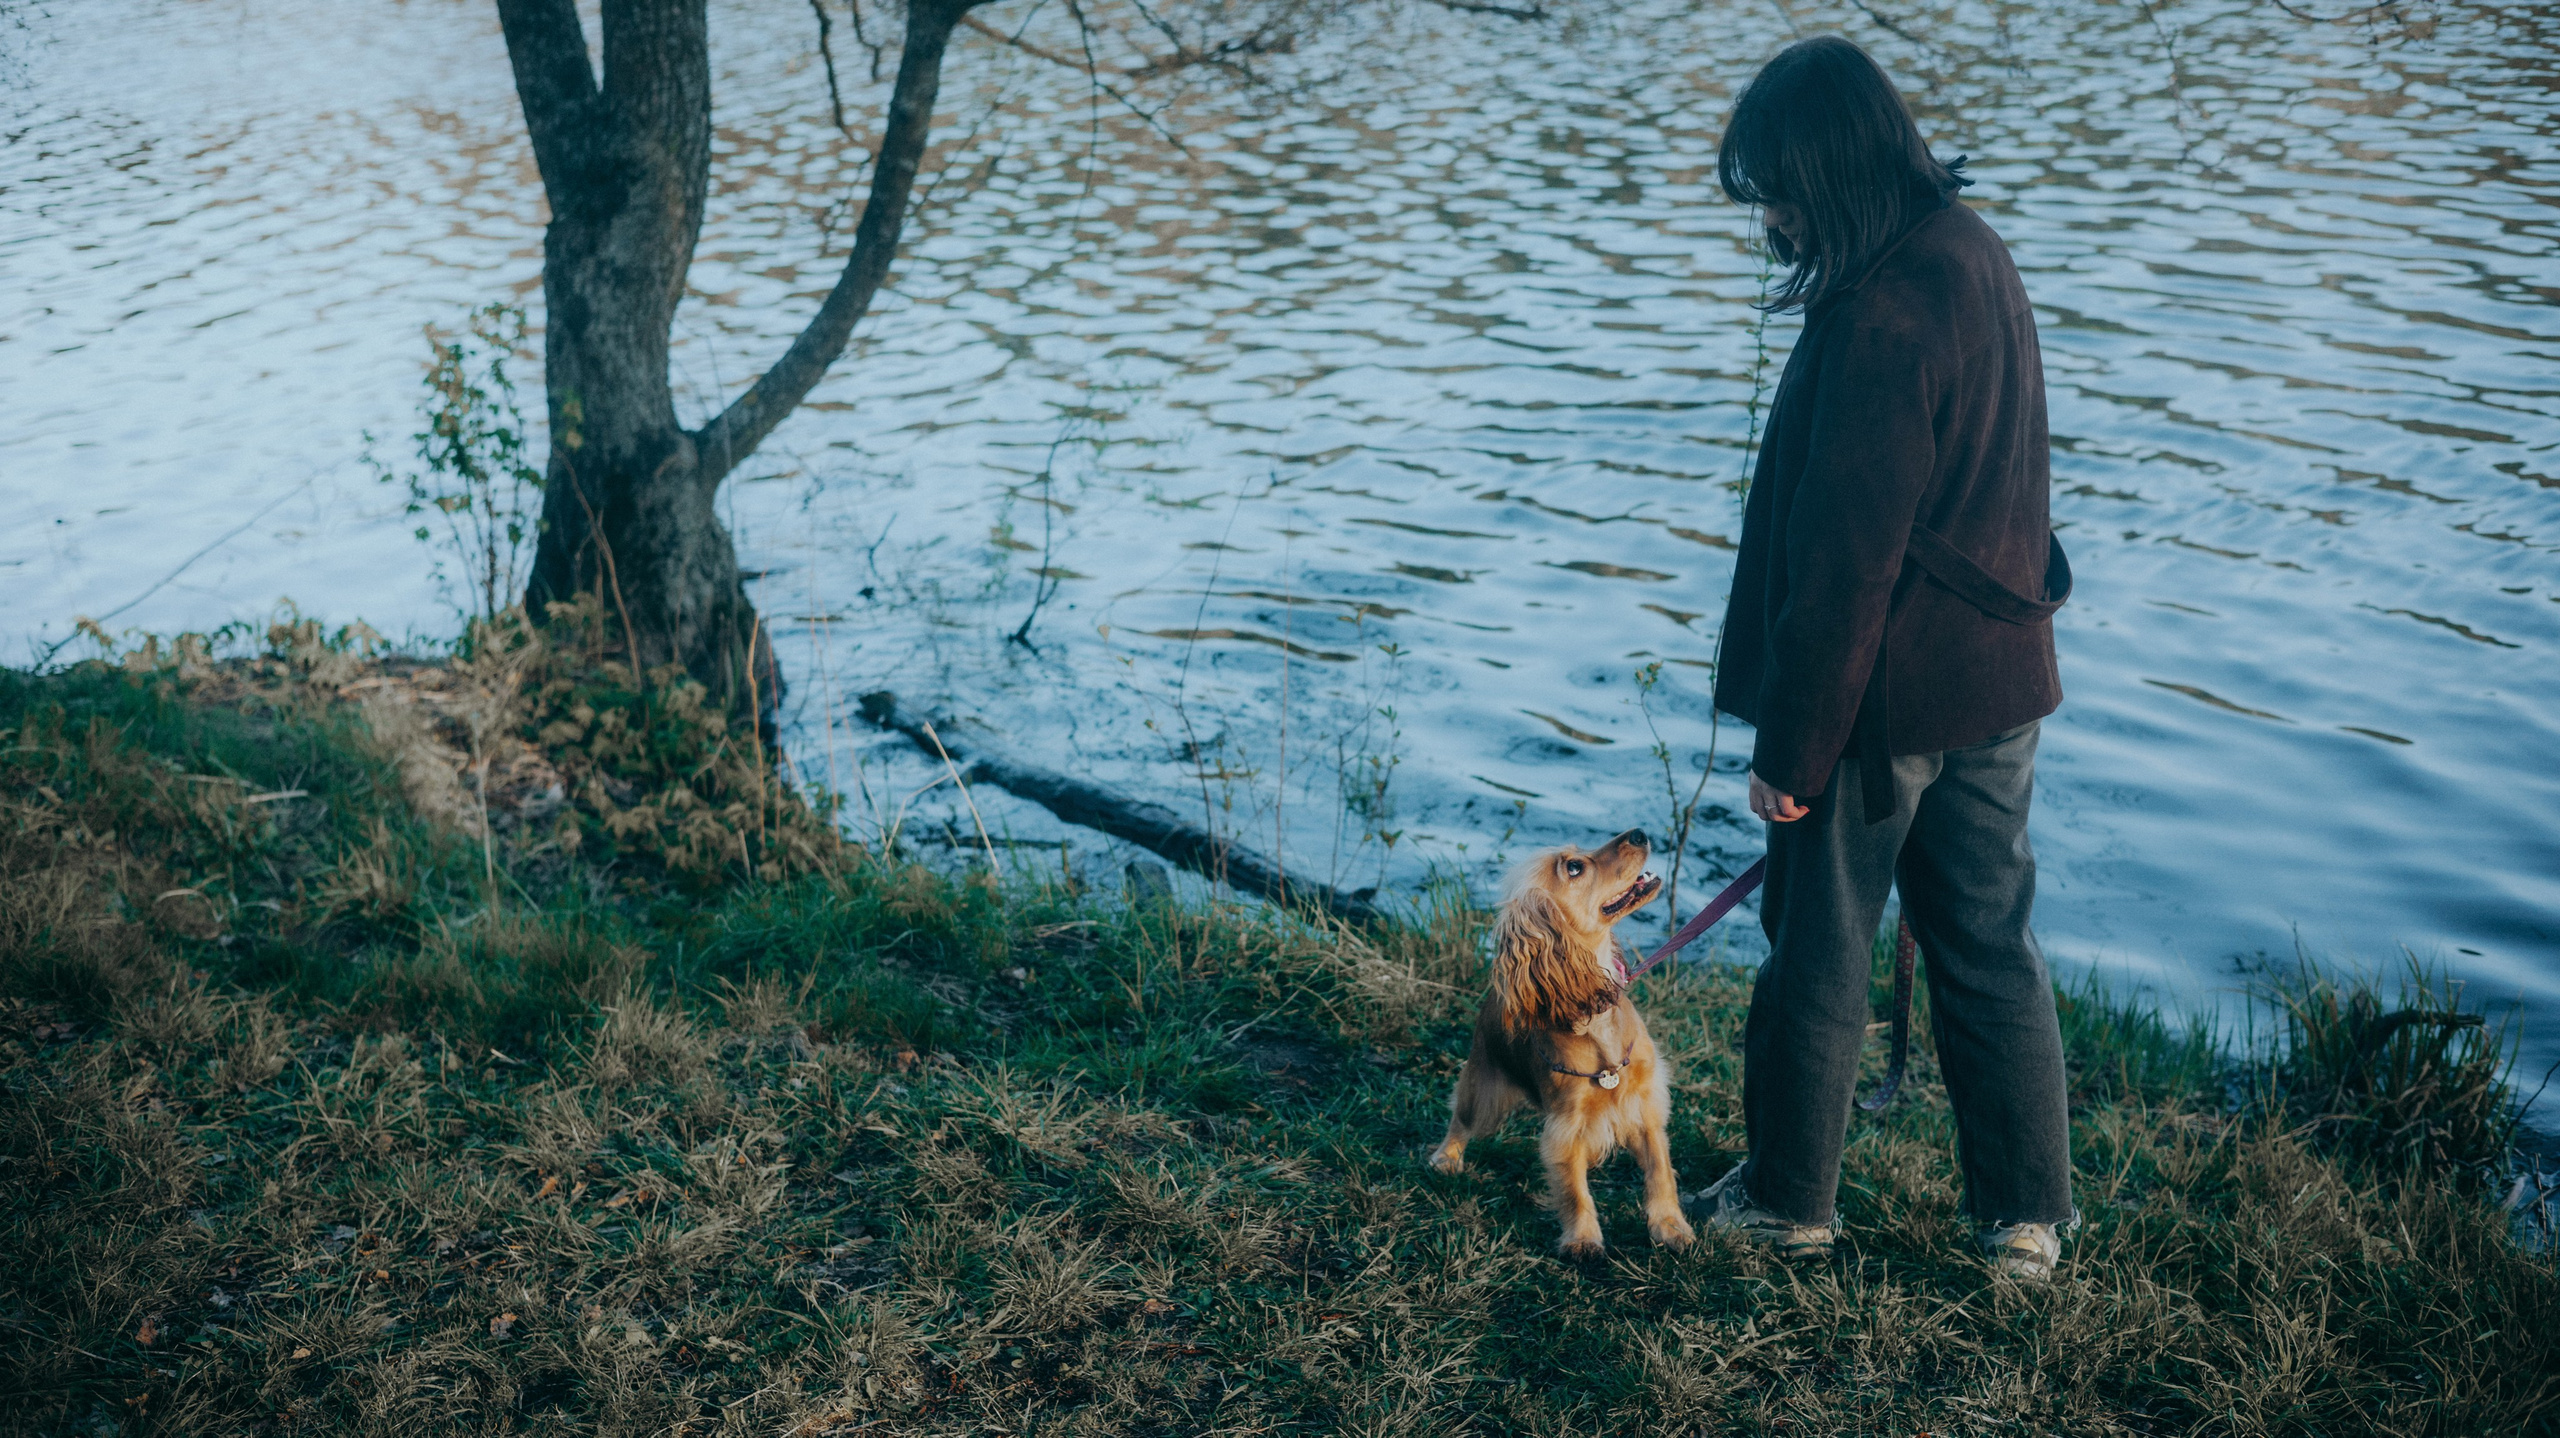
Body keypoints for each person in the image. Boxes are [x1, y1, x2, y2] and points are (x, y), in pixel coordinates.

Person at [1692, 36, 2078, 1279]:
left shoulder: (1878, 314)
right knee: (1988, 940)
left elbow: (1844, 566)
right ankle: (2025, 1220)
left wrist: (1791, 751)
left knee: (1818, 945)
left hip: (1880, 701)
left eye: (1779, 192)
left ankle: (1787, 1203)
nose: (1773, 220)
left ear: (1827, 171)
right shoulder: (1970, 248)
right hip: (1998, 676)